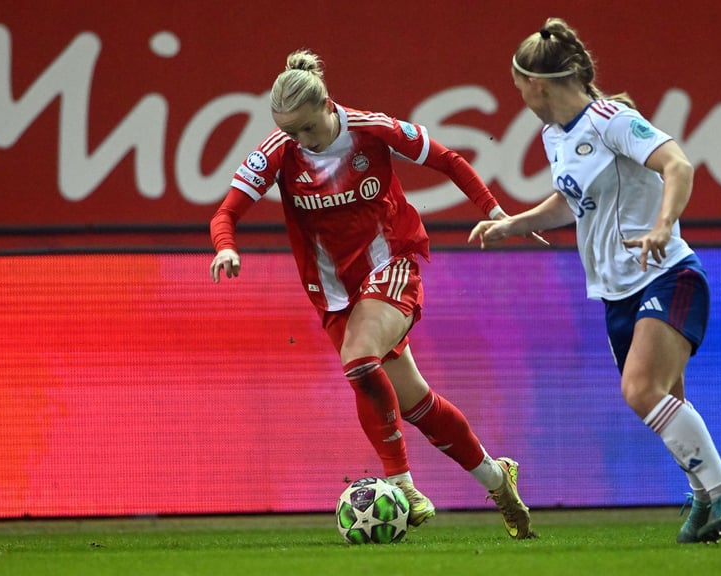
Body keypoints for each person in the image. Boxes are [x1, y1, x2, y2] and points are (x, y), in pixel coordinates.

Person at [209, 49, 535, 539]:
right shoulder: (278, 151)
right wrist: (225, 249)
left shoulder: (372, 129)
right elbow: (225, 213)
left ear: (327, 106)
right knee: (414, 403)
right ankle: (497, 478)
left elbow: (449, 159)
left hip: (392, 264)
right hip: (334, 292)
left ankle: (401, 485)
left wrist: (492, 211)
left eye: (305, 129)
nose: (298, 140)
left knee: (360, 359)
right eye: (288, 130)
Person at [469, 18, 721, 544]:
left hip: (667, 273)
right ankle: (701, 500)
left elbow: (678, 164)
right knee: (664, 398)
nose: (517, 93)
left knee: (640, 389)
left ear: (538, 82)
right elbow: (571, 199)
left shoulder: (611, 118)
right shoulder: (555, 135)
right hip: (615, 292)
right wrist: (515, 224)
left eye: (517, 83)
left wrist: (663, 225)